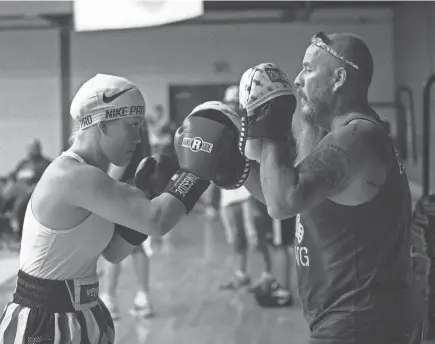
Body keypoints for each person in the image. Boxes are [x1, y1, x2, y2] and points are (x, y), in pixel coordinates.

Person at [0, 74, 247, 344]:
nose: (139, 137)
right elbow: (157, 220)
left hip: (82, 311)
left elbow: (115, 252)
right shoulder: (71, 175)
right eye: (132, 125)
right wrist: (196, 170)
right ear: (102, 124)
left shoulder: (97, 179)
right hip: (46, 320)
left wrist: (152, 193)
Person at [238, 34, 424, 344]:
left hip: (359, 324)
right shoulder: (346, 137)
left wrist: (269, 123)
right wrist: (230, 167)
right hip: (357, 322)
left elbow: (283, 202)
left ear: (338, 78)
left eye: (308, 69)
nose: (297, 80)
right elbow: (286, 198)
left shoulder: (356, 136)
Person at [217, 86, 293, 307]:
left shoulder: (264, 131)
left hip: (260, 193)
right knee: (251, 239)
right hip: (244, 194)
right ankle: (269, 281)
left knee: (269, 241)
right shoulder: (230, 130)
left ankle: (278, 284)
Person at [100, 123, 155, 320]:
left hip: (122, 194)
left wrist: (98, 187)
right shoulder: (141, 129)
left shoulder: (123, 131)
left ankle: (109, 300)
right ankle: (143, 297)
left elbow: (117, 169)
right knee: (137, 246)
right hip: (139, 193)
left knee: (113, 246)